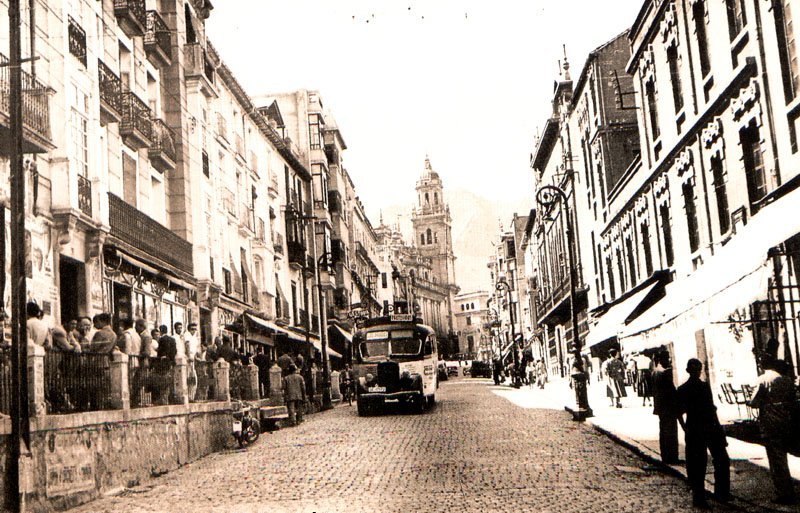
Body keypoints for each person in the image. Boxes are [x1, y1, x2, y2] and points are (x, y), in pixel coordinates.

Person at [676, 358, 731, 508]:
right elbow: (678, 412)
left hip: (710, 427)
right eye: (694, 369)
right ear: (688, 371)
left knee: (722, 459)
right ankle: (699, 498)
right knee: (698, 465)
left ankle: (722, 493)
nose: (697, 372)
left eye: (699, 369)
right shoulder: (683, 389)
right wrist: (684, 428)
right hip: (695, 429)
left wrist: (719, 429)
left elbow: (711, 409)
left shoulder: (704, 387)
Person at [748, 355, 799, 505]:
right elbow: (793, 400)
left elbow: (754, 402)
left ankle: (784, 493)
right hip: (785, 420)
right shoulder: (787, 380)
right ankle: (788, 490)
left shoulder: (763, 379)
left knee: (776, 460)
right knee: (783, 455)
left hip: (770, 422)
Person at [651, 350, 680, 464]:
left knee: (663, 431)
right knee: (671, 431)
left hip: (660, 406)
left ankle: (665, 456)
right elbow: (671, 390)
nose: (668, 360)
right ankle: (672, 457)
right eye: (667, 358)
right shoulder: (666, 372)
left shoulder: (655, 372)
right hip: (668, 406)